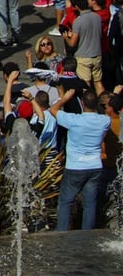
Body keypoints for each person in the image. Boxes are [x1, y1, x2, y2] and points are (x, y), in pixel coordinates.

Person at [51, 88, 110, 230]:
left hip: (75, 166)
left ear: (82, 103)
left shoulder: (74, 120)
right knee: (90, 204)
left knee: (66, 203)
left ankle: (62, 234)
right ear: (96, 104)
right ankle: (87, 237)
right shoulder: (105, 121)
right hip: (95, 166)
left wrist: (65, 98)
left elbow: (53, 110)